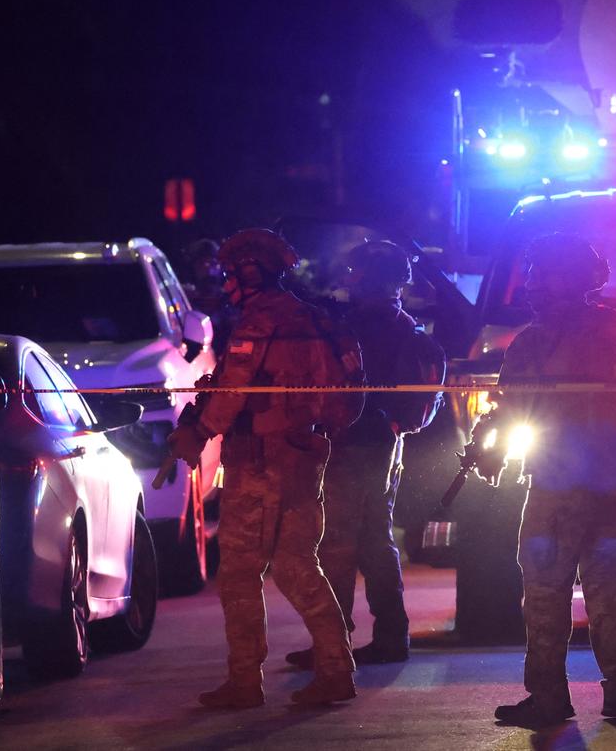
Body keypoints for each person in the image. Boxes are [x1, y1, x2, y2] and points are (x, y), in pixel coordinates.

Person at [468, 233, 616, 730]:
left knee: (547, 596)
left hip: (556, 487)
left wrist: (492, 451)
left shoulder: (535, 340)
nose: (530, 284)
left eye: (539, 273)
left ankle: (549, 699)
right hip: (612, 486)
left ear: (565, 278)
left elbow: (510, 409)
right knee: (607, 594)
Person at [165, 228, 357, 708]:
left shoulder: (259, 321)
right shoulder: (309, 318)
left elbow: (233, 394)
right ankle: (336, 669)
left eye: (230, 275)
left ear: (249, 274)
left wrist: (200, 431)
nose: (225, 283)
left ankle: (244, 682)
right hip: (302, 458)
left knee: (240, 573)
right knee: (296, 566)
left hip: (259, 462)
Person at [286, 240, 443, 669]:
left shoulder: (359, 328)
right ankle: (390, 637)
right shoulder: (403, 327)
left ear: (372, 278)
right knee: (376, 539)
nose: (348, 281)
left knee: (338, 541)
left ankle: (333, 642)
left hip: (353, 444)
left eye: (355, 274)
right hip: (385, 445)